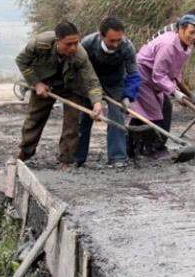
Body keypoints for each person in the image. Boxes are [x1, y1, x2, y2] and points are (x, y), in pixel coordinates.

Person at [15, 21, 103, 169]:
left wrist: (97, 103)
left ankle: (66, 160)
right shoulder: (40, 44)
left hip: (71, 87)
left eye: (76, 43)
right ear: (57, 41)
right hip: (44, 84)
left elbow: (92, 81)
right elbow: (22, 61)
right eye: (68, 44)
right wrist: (36, 83)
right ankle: (25, 152)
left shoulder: (80, 55)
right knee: (34, 118)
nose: (73, 47)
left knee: (72, 123)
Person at [128, 14, 195, 158]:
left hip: (154, 77)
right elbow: (159, 75)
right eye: (191, 33)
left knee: (162, 108)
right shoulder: (168, 45)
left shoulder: (186, 46)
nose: (193, 37)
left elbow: (175, 71)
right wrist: (175, 92)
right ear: (181, 29)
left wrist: (186, 93)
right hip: (142, 75)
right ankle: (152, 149)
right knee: (153, 113)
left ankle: (134, 147)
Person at [76, 17, 140, 167]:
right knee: (83, 118)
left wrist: (128, 96)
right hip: (90, 82)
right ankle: (77, 157)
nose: (116, 44)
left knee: (117, 116)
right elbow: (78, 70)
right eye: (112, 41)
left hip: (115, 83)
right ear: (101, 35)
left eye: (119, 40)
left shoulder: (127, 46)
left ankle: (118, 158)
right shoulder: (87, 44)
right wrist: (92, 97)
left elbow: (133, 74)